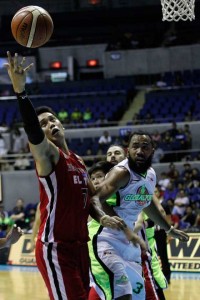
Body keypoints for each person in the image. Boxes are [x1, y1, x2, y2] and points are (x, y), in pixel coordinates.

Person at [5, 51, 126, 300]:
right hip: (56, 249)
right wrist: (21, 93)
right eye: (43, 124)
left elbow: (90, 200)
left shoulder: (79, 162)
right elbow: (34, 133)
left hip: (80, 248)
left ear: (62, 123)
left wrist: (102, 218)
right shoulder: (48, 155)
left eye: (52, 119)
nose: (50, 124)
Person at [89, 131, 189, 300]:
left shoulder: (150, 175)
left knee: (138, 295)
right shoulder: (121, 172)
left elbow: (147, 204)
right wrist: (104, 218)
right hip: (107, 241)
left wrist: (168, 229)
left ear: (152, 150)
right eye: (135, 146)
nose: (139, 151)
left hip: (130, 245)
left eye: (145, 147)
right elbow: (94, 199)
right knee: (121, 292)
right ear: (128, 150)